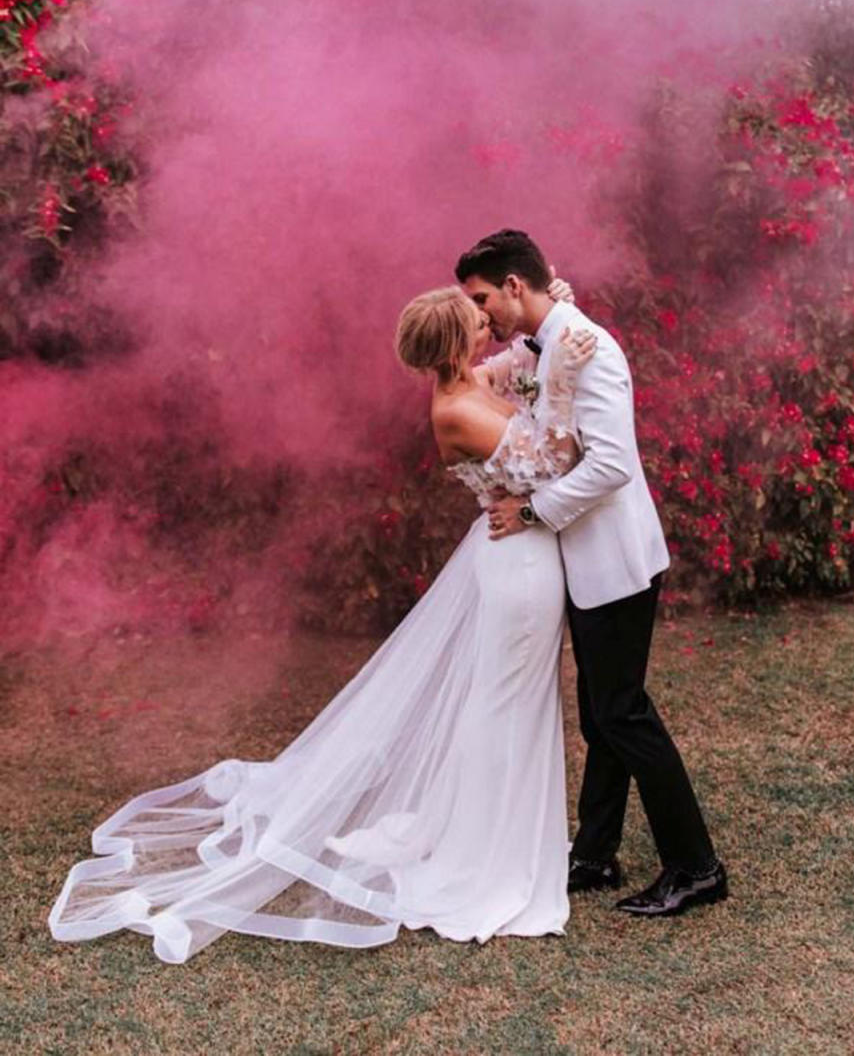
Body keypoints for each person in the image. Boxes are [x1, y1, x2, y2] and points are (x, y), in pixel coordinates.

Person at [48, 278, 594, 962]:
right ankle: (484, 853)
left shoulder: (473, 379)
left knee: (504, 702)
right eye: (476, 321)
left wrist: (548, 323)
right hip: (517, 566)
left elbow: (517, 368)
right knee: (501, 705)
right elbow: (554, 460)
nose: (488, 326)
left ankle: (496, 831)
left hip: (519, 555)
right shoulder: (455, 409)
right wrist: (569, 378)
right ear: (456, 344)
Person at [456, 229, 726, 917]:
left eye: (484, 298)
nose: (482, 316)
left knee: (622, 714)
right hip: (584, 563)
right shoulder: (545, 346)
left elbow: (610, 465)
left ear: (515, 285)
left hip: (615, 563)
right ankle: (594, 855)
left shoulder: (591, 348)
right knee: (602, 721)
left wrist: (532, 513)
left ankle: (696, 867)